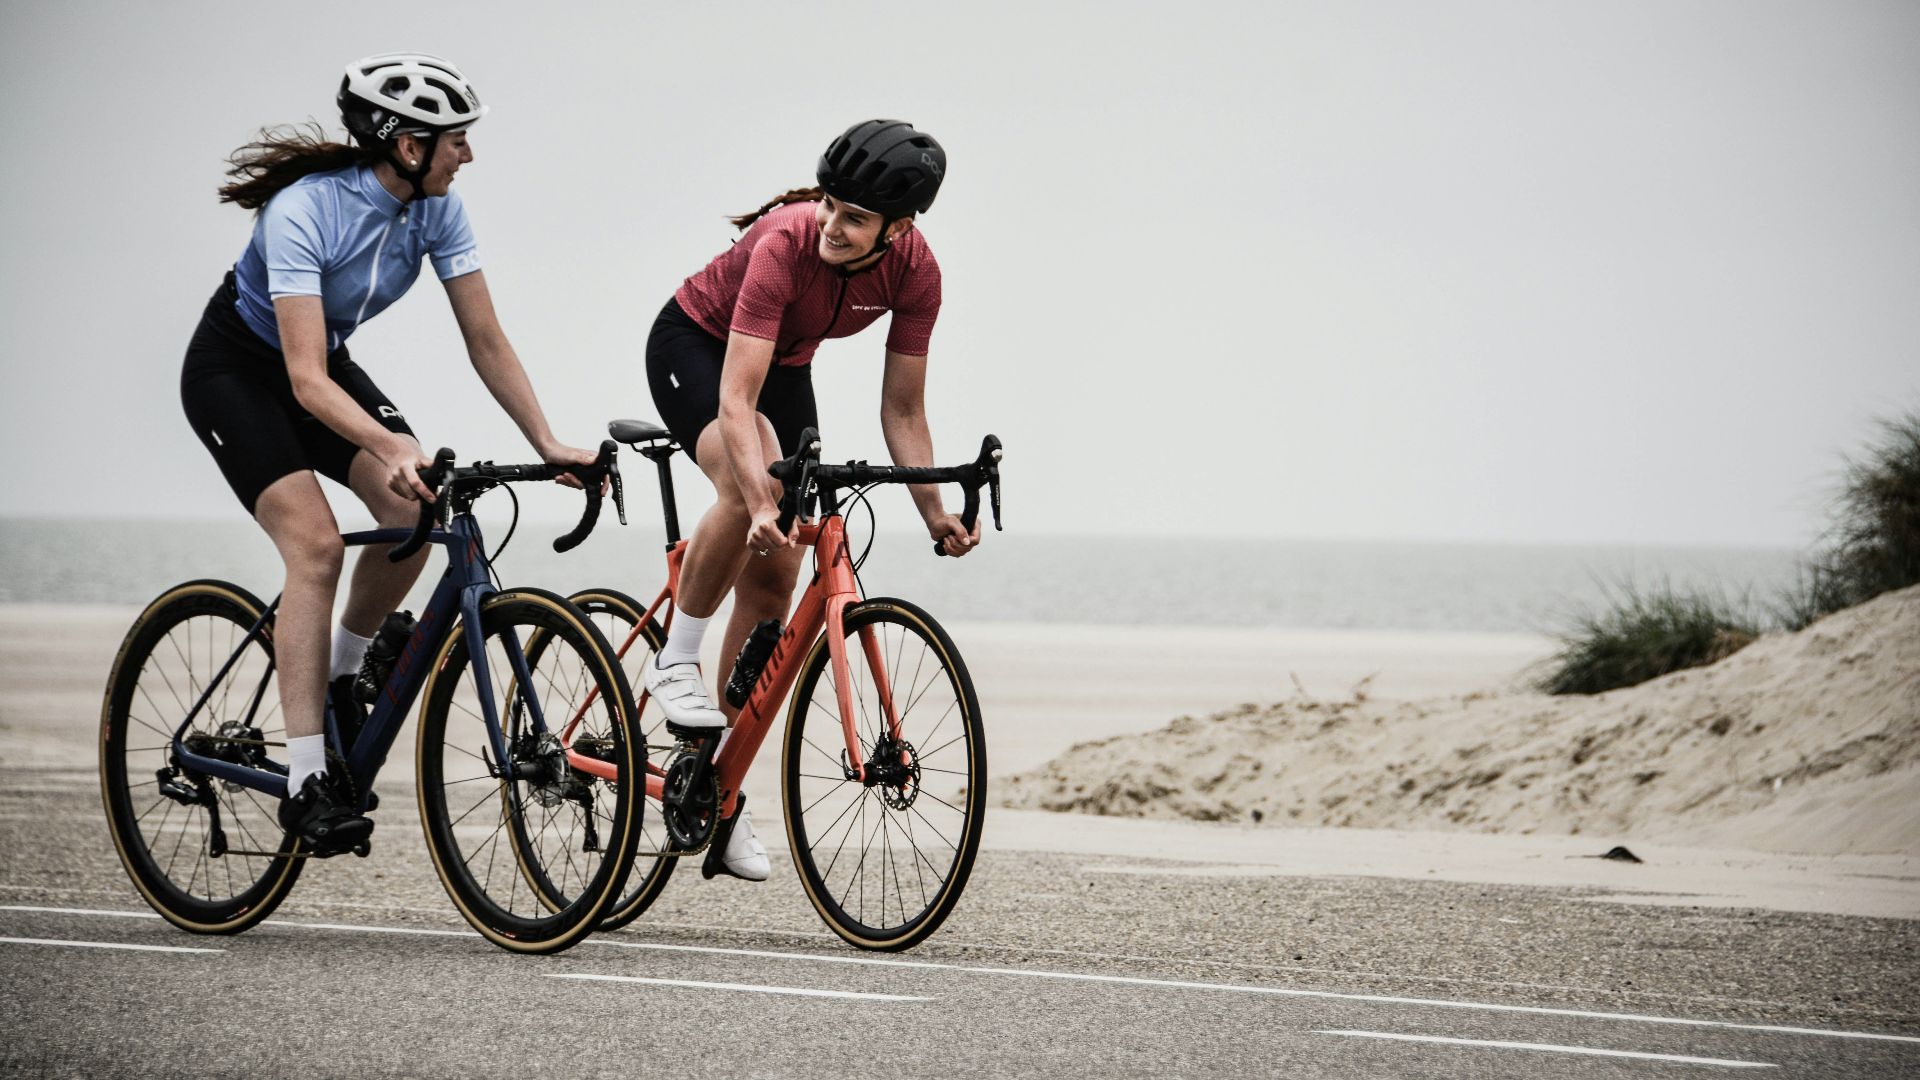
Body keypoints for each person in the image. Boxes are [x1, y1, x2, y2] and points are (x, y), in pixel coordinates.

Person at [180, 53, 596, 850]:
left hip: (320, 366)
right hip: (237, 374)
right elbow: (304, 380)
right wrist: (388, 441)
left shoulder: (438, 209)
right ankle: (306, 779)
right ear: (409, 146)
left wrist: (546, 442)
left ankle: (343, 674)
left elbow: (485, 337)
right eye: (456, 140)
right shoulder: (304, 211)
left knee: (415, 504)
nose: (468, 154)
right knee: (316, 548)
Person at [642, 119, 978, 881]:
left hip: (786, 366)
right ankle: (676, 657)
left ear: (899, 229)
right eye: (829, 204)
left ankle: (720, 792)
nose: (830, 224)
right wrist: (759, 498)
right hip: (695, 346)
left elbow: (904, 411)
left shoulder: (917, 275)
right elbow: (736, 402)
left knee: (777, 577)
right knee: (750, 484)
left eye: (854, 217)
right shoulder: (785, 242)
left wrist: (935, 513)